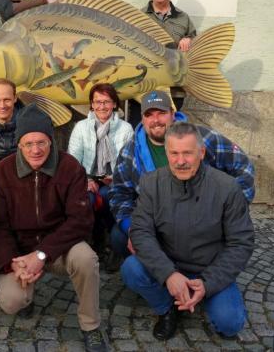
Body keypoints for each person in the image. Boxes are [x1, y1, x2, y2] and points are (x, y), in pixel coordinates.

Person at [0, 104, 109, 352]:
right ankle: (27, 295)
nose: (36, 150)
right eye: (28, 144)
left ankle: (91, 325)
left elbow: (80, 220)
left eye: (41, 142)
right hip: (20, 252)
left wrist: (42, 255)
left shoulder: (70, 167)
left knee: (86, 259)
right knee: (11, 301)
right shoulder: (2, 171)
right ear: (19, 144)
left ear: (51, 141)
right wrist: (13, 264)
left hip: (60, 247)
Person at [121, 122, 255, 340]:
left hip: (209, 268)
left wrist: (208, 283)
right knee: (131, 269)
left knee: (230, 324)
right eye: (174, 153)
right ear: (167, 153)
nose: (180, 161)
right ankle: (167, 308)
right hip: (169, 264)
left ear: (201, 153)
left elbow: (241, 242)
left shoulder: (227, 188)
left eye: (187, 153)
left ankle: (201, 295)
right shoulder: (151, 184)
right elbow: (141, 232)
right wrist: (169, 274)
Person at [109, 90, 255, 259]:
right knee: (118, 237)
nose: (155, 120)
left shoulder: (203, 137)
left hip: (202, 218)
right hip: (157, 219)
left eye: (161, 113)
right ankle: (151, 267)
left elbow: (243, 166)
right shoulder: (130, 151)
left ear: (172, 114)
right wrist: (132, 228)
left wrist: (230, 211)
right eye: (149, 115)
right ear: (142, 119)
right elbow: (119, 193)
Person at [67, 83, 134, 260]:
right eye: (97, 102)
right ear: (92, 104)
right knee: (87, 200)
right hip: (87, 178)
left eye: (106, 102)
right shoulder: (81, 127)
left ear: (114, 104)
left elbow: (128, 162)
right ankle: (93, 244)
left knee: (108, 196)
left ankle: (113, 245)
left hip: (115, 179)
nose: (102, 106)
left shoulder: (125, 129)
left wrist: (115, 178)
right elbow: (73, 161)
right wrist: (86, 181)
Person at [127, 0, 197, 126]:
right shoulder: (137, 17)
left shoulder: (183, 18)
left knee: (169, 133)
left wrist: (189, 40)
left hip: (173, 91)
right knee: (140, 132)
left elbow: (195, 46)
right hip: (142, 90)